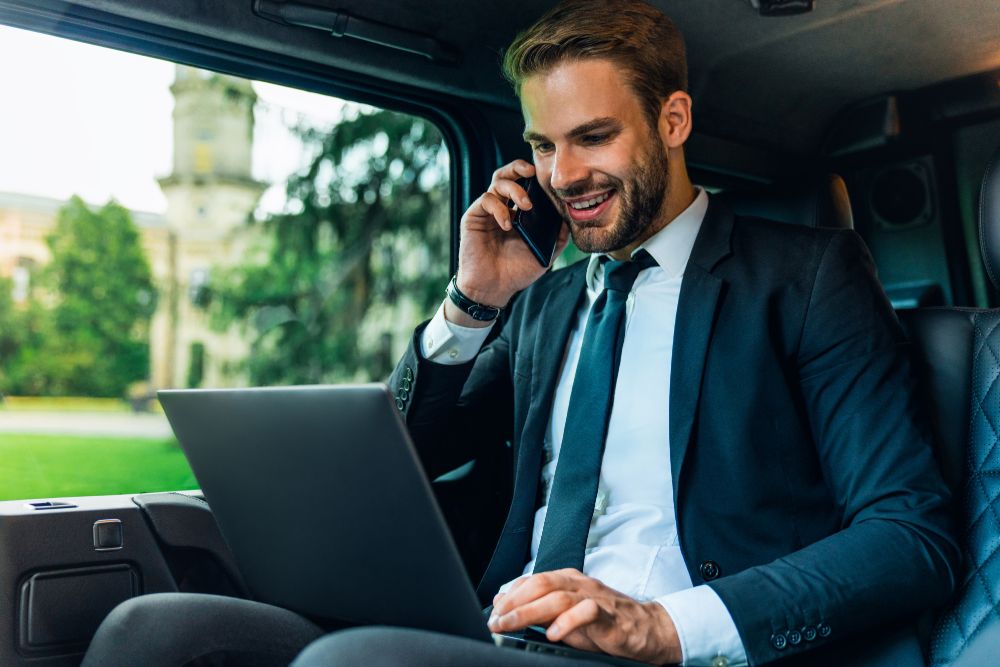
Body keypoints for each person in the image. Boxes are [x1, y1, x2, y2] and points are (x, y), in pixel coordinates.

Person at [83, 1, 958, 666]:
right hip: (504, 632)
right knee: (154, 628)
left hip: (675, 651)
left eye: (593, 138)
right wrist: (472, 301)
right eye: (542, 146)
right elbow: (403, 454)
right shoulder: (544, 302)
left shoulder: (808, 279)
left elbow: (909, 534)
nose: (562, 175)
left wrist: (661, 625)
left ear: (674, 121)